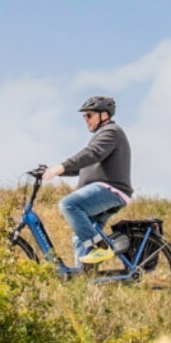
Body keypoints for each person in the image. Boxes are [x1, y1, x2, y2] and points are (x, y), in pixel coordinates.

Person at [41, 95, 133, 266]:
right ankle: (84, 282)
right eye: (84, 116)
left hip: (111, 190)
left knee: (69, 204)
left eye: (89, 115)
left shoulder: (111, 132)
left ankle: (100, 247)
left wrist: (61, 166)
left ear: (104, 114)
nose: (86, 120)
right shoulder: (103, 136)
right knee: (80, 236)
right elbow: (82, 167)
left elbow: (92, 153)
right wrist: (53, 170)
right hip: (105, 192)